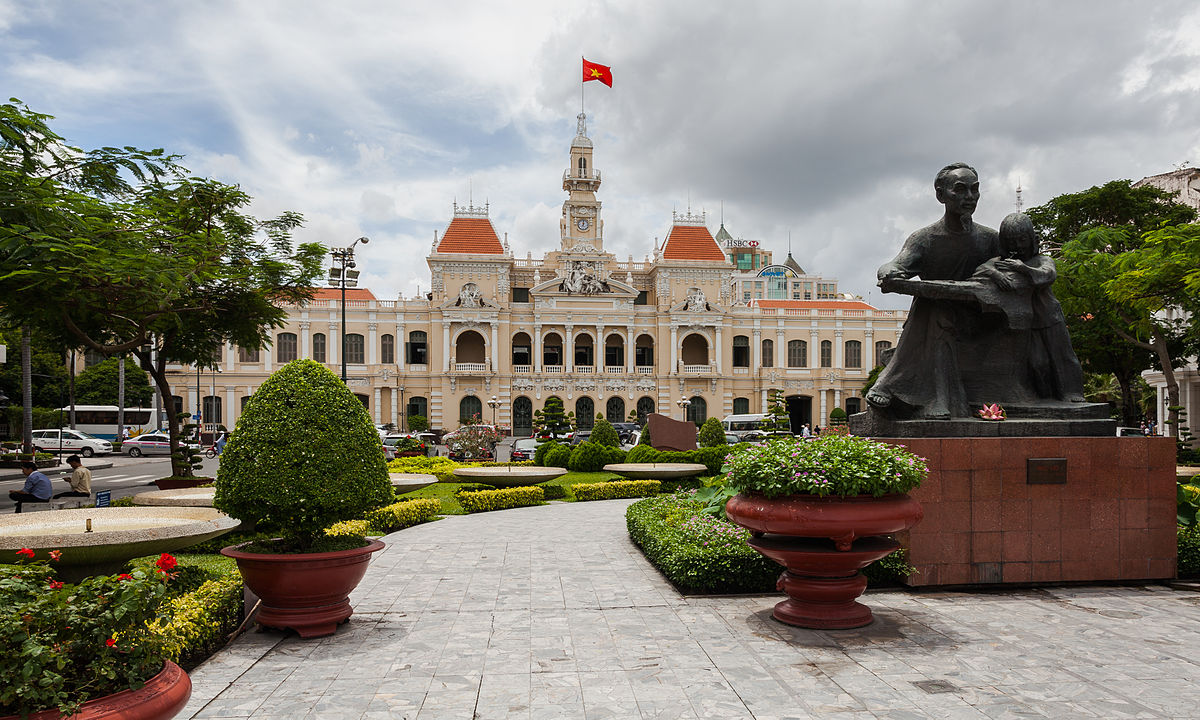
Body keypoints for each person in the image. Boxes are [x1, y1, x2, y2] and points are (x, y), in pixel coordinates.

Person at [866, 162, 1001, 419]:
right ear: (941, 194)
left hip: (981, 319)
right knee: (935, 308)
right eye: (960, 190)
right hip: (936, 318)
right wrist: (888, 271)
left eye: (974, 190)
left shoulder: (990, 239)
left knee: (935, 310)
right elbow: (898, 263)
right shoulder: (925, 238)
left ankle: (891, 385)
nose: (969, 197)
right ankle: (936, 399)